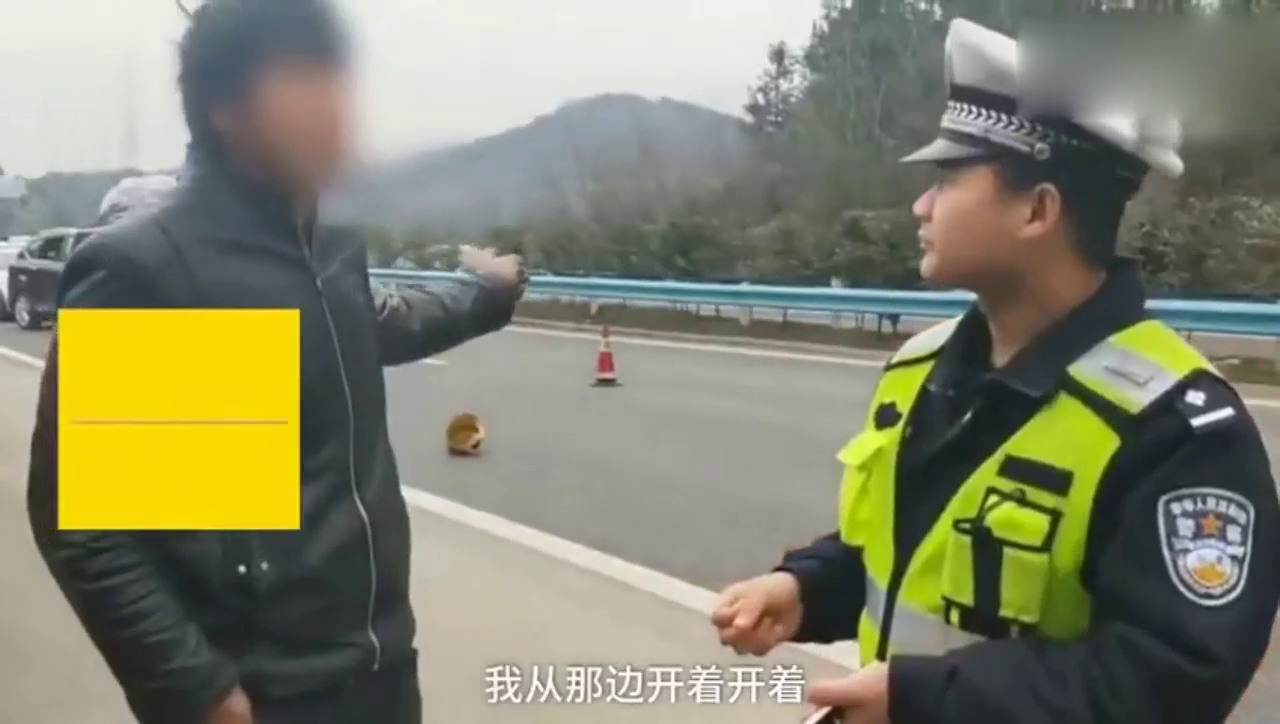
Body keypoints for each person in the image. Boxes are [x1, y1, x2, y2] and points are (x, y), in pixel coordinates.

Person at [711, 17, 1280, 724]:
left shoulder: (1175, 431)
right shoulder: (921, 370)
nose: (921, 205)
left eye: (947, 179)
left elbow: (1166, 679)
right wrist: (807, 589)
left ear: (1037, 211)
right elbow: (913, 558)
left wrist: (924, 699)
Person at [25, 1, 525, 723]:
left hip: (381, 667)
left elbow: (371, 327)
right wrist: (196, 689)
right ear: (226, 107)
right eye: (301, 77)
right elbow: (86, 525)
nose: (335, 105)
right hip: (268, 693)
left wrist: (486, 297)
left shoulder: (330, 241)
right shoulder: (166, 266)